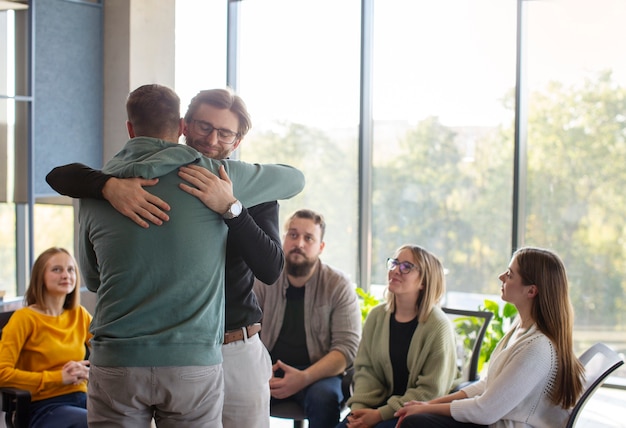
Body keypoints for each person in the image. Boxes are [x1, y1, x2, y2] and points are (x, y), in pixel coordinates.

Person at [46, 88, 284, 427]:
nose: (212, 139)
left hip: (233, 343)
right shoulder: (143, 180)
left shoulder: (250, 189)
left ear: (238, 138)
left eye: (225, 132)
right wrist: (106, 186)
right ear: (184, 125)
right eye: (203, 126)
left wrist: (232, 209)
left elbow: (271, 268)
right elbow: (59, 175)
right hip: (173, 350)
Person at [395, 246, 585, 428]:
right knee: (428, 411)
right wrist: (429, 405)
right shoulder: (521, 327)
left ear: (531, 291)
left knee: (416, 423)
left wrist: (427, 409)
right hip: (493, 419)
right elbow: (488, 384)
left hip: (499, 423)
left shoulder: (538, 348)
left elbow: (485, 410)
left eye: (510, 275)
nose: (501, 277)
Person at [253, 208, 362, 428]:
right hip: (268, 370)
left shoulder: (338, 285)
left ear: (321, 247)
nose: (299, 243)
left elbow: (346, 348)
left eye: (308, 238)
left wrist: (303, 378)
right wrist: (261, 372)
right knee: (240, 391)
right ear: (283, 239)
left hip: (319, 374)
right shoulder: (263, 279)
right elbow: (246, 332)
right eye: (293, 235)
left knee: (323, 399)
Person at [336, 244, 459, 428]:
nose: (395, 270)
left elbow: (431, 391)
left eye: (406, 267)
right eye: (394, 263)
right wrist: (359, 410)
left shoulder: (438, 327)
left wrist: (379, 415)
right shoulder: (376, 316)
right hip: (376, 405)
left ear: (424, 282)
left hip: (417, 413)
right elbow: (365, 371)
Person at [0, 247, 92, 428]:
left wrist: (91, 373)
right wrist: (58, 378)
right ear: (40, 276)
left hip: (83, 399)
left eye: (70, 269)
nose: (66, 275)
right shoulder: (24, 319)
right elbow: (2, 373)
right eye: (57, 269)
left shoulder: (80, 314)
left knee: (128, 419)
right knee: (92, 423)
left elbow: (111, 351)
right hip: (42, 406)